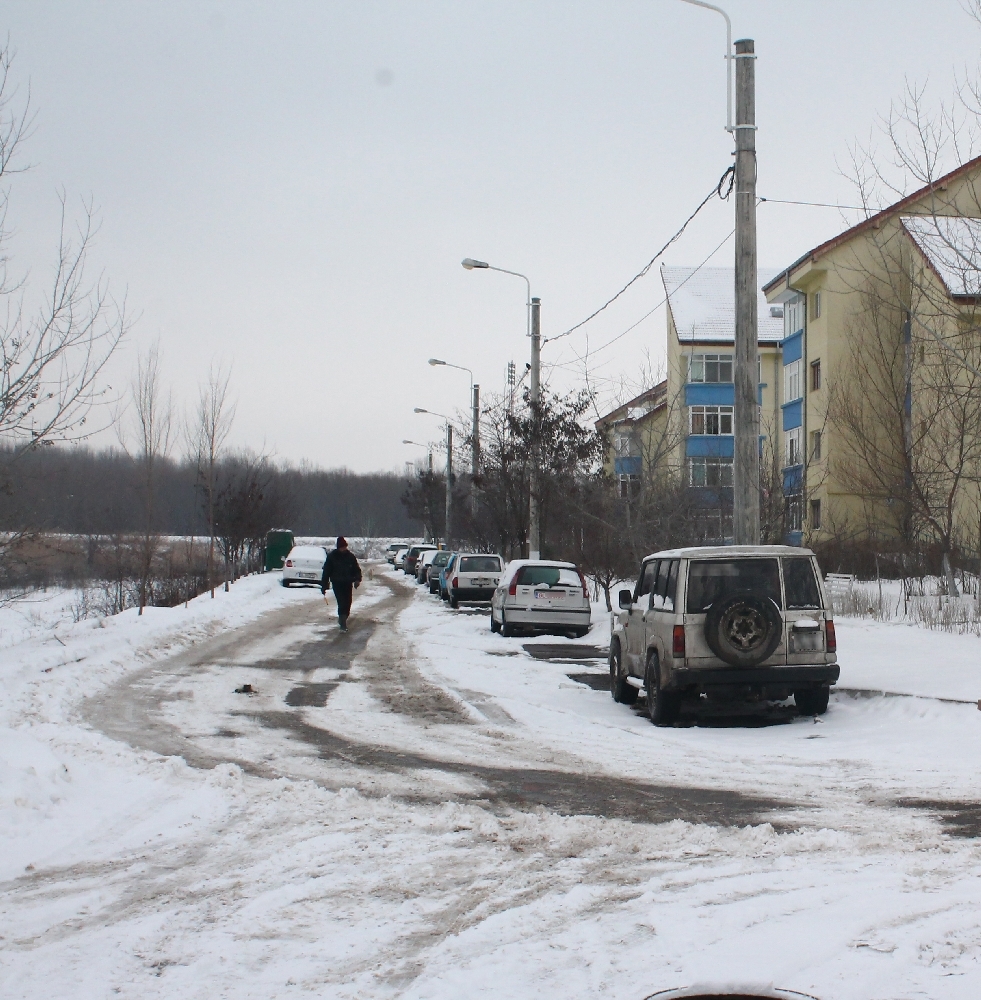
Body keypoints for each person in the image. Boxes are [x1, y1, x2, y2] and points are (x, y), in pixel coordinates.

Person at [321, 536, 362, 631]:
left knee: (348, 602)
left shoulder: (350, 556)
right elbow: (326, 572)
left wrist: (357, 579)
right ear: (338, 547)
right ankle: (343, 622)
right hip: (337, 583)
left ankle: (344, 617)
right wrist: (324, 585)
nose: (343, 549)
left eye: (345, 547)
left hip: (348, 583)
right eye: (342, 547)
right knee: (342, 602)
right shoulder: (332, 557)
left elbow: (356, 569)